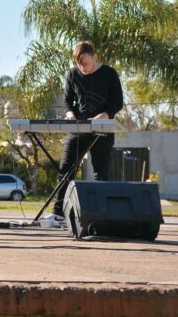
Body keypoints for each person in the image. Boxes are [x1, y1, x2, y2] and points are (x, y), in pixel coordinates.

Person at [49, 41, 124, 221]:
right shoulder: (73, 74)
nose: (82, 68)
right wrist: (69, 113)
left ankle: (101, 216)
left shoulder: (109, 73)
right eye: (79, 64)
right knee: (65, 169)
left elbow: (117, 102)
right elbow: (68, 100)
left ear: (95, 57)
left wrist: (105, 115)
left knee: (101, 173)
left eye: (86, 64)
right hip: (78, 129)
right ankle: (57, 214)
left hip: (102, 130)